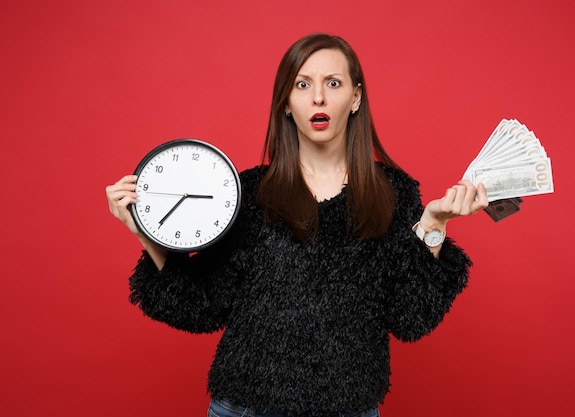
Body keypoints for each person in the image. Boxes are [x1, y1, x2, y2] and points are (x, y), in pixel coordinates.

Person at [106, 33, 488, 417]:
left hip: (349, 409)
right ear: (286, 103)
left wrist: (434, 224)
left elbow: (409, 318)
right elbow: (203, 306)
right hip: (243, 409)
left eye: (332, 84)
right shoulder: (249, 192)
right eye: (302, 85)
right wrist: (146, 233)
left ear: (355, 98)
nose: (317, 98)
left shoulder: (394, 192)